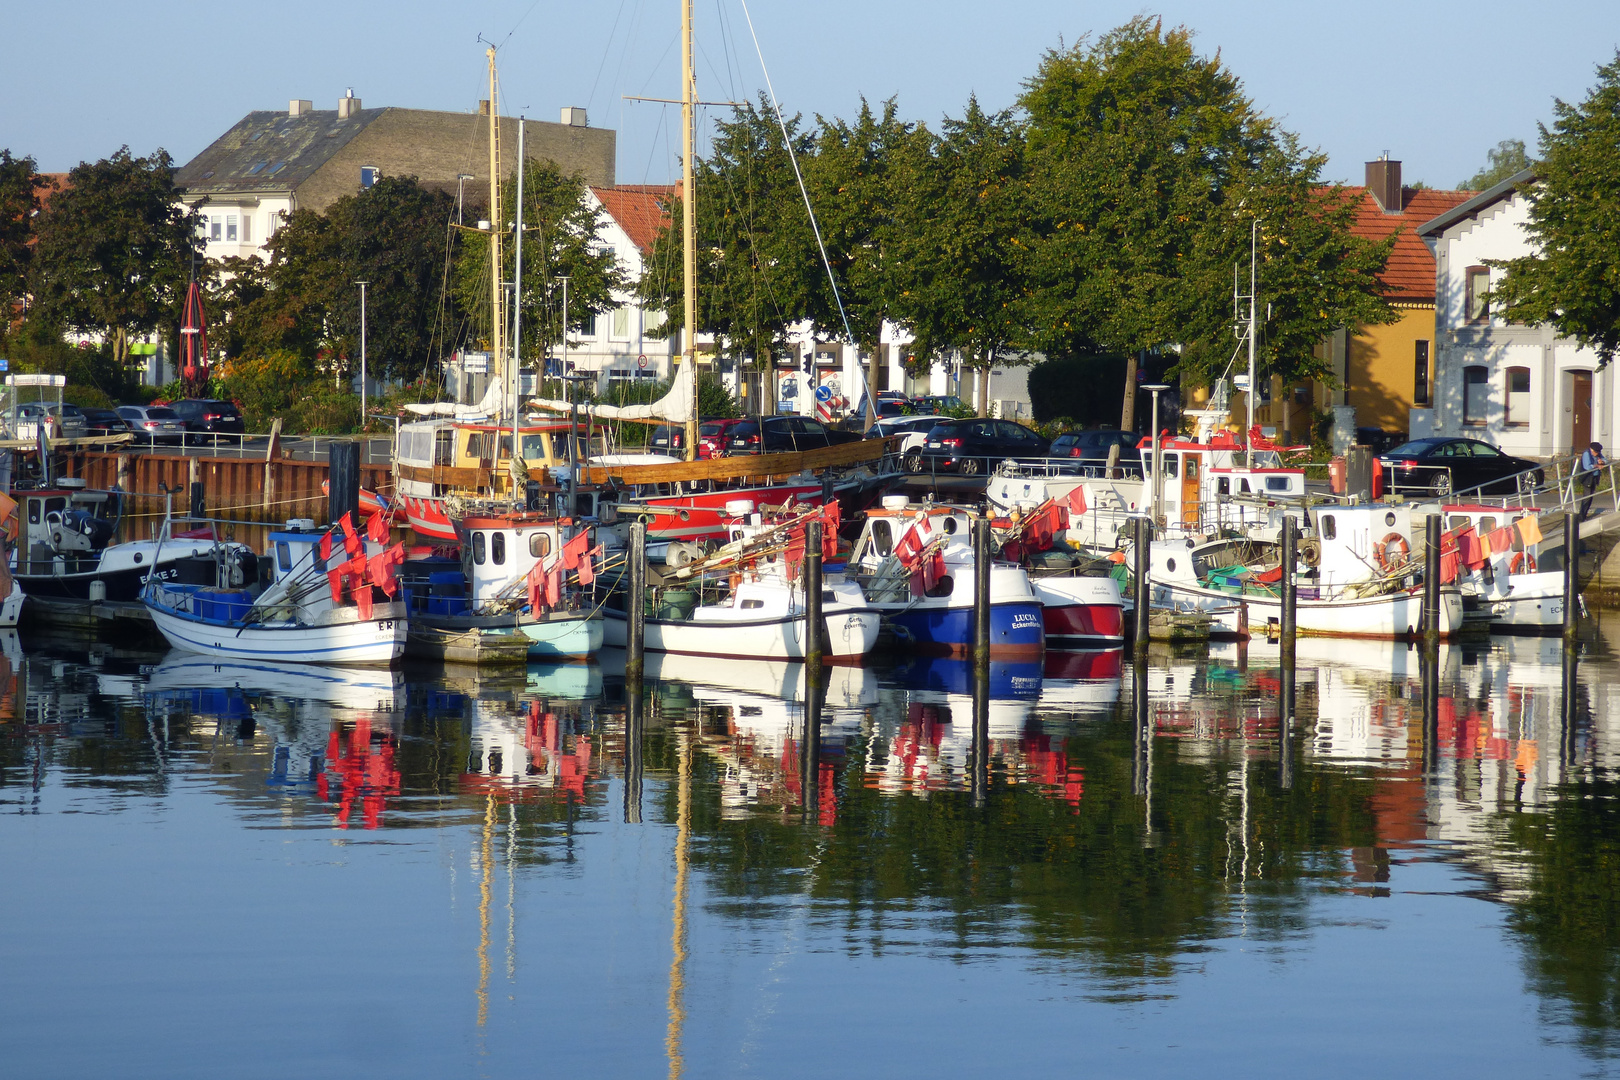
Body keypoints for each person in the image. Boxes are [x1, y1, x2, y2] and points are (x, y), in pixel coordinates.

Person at [1578, 441, 1607, 522]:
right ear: (1591, 450)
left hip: (1594, 477)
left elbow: (1605, 460)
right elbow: (1587, 466)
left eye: (1598, 452)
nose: (1597, 454)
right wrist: (1597, 465)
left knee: (1590, 497)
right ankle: (1581, 516)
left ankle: (1584, 515)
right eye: (1596, 452)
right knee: (1587, 497)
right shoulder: (1587, 454)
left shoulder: (1598, 454)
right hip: (1587, 478)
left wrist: (1602, 462)